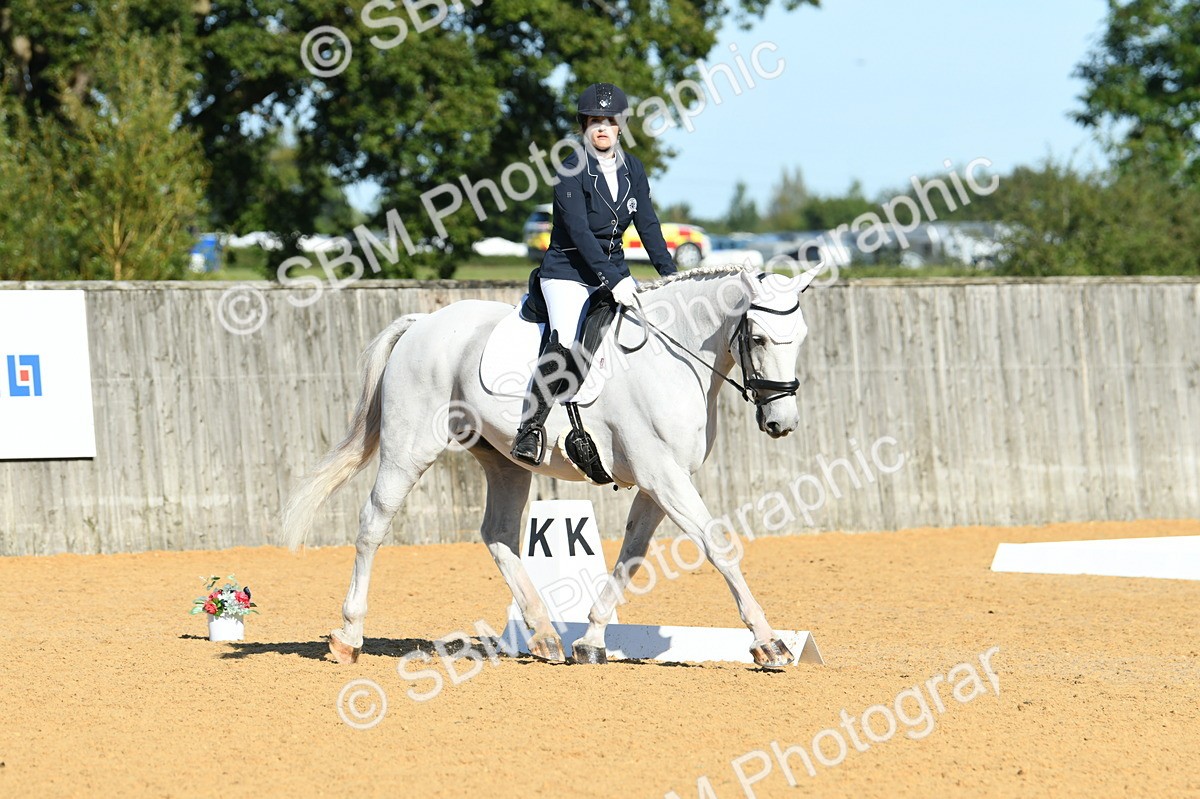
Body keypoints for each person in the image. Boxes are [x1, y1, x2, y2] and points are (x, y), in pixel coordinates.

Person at [511, 81, 679, 465]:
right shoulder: (570, 168)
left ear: (620, 126)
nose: (602, 128)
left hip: (613, 272)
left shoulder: (633, 168)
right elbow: (579, 232)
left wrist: (671, 277)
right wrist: (614, 279)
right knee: (566, 339)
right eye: (594, 121)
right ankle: (529, 429)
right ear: (584, 126)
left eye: (610, 121)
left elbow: (648, 225)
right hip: (568, 272)